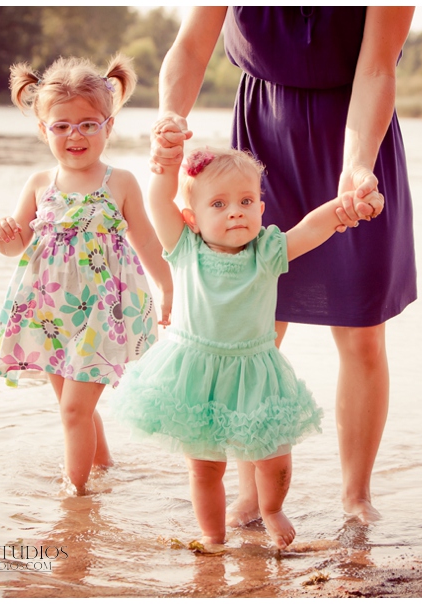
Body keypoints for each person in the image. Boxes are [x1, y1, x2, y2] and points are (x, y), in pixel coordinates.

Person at [150, 7, 417, 524]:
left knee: (361, 330)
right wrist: (169, 117)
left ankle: (356, 496)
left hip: (357, 140)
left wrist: (358, 164)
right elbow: (189, 47)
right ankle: (252, 497)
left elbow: (379, 69)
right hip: (259, 145)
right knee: (254, 328)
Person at [112, 136, 382, 550]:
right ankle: (212, 536)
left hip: (254, 370)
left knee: (273, 455)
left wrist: (341, 208)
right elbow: (157, 200)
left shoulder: (268, 250)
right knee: (204, 468)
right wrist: (166, 164)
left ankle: (271, 507)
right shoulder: (184, 248)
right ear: (192, 218)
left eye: (245, 201)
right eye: (218, 205)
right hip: (194, 372)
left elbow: (310, 228)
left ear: (260, 207)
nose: (235, 211)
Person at [0, 55, 172, 496]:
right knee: (76, 410)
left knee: (73, 411)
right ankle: (105, 469)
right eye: (63, 125)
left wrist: (167, 287)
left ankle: (77, 497)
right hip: (49, 314)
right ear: (43, 130)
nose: (76, 134)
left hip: (101, 315)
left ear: (109, 127)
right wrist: (3, 238)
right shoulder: (39, 184)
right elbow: (18, 246)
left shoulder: (119, 181)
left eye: (89, 124)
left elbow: (146, 241)